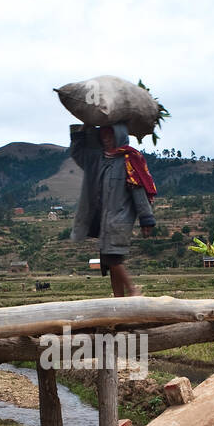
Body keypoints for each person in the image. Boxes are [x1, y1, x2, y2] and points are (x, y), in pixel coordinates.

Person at [69, 122, 156, 296]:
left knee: (113, 258)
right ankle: (119, 301)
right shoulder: (99, 160)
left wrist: (146, 219)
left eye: (110, 136)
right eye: (104, 136)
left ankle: (133, 291)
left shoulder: (128, 161)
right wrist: (80, 132)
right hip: (103, 220)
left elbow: (138, 192)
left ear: (119, 137)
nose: (107, 140)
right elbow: (78, 154)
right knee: (109, 261)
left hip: (120, 219)